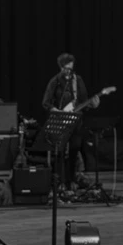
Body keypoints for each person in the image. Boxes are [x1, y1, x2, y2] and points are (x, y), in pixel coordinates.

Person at [41, 53, 99, 189]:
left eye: (70, 69)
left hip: (76, 122)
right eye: (66, 68)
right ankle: (60, 182)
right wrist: (57, 111)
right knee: (59, 152)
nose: (68, 71)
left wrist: (92, 104)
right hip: (60, 121)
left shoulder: (77, 80)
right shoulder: (55, 81)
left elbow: (84, 101)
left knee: (74, 150)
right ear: (60, 67)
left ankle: (71, 181)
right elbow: (46, 103)